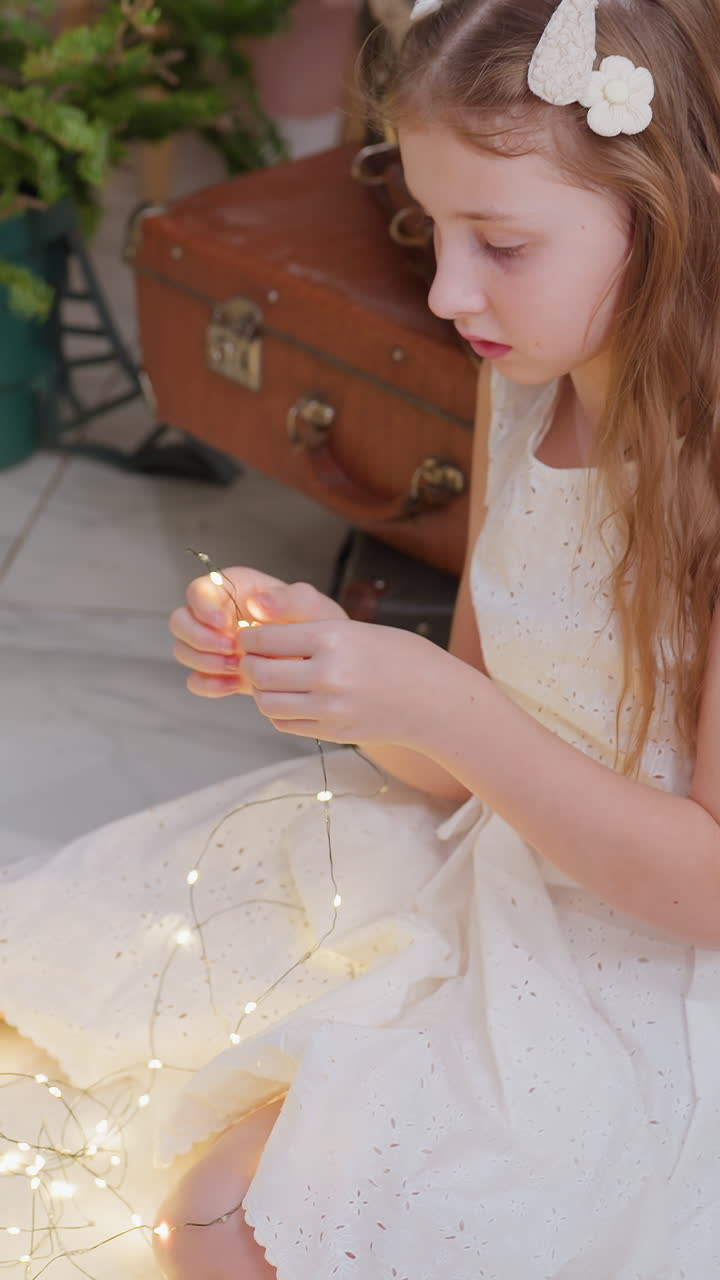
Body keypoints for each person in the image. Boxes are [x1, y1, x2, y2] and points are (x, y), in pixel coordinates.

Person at [2, 0, 720, 1276]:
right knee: (93, 983)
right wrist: (344, 673)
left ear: (658, 216)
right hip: (490, 869)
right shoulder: (521, 387)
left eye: (499, 241)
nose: (447, 289)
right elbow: (462, 764)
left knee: (242, 1216)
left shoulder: (702, 479)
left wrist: (446, 705)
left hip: (644, 968)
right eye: (430, 231)